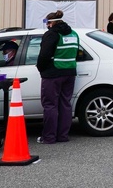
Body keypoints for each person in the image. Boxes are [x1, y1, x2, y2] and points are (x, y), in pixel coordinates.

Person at [36, 10, 78, 144]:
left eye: (47, 23)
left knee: (50, 105)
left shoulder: (52, 34)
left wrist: (41, 68)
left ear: (51, 22)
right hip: (70, 73)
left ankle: (49, 137)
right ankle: (63, 136)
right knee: (65, 104)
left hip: (53, 74)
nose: (47, 26)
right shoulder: (74, 34)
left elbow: (44, 55)